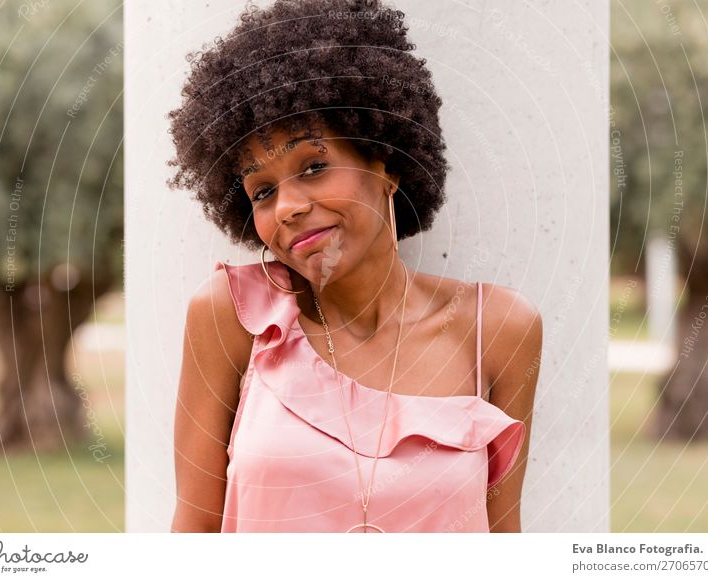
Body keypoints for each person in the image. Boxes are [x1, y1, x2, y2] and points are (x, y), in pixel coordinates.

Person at [167, 0, 543, 533]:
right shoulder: (231, 317)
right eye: (262, 191)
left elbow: (505, 545)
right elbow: (192, 537)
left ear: (384, 163)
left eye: (314, 166)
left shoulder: (497, 328)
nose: (288, 207)